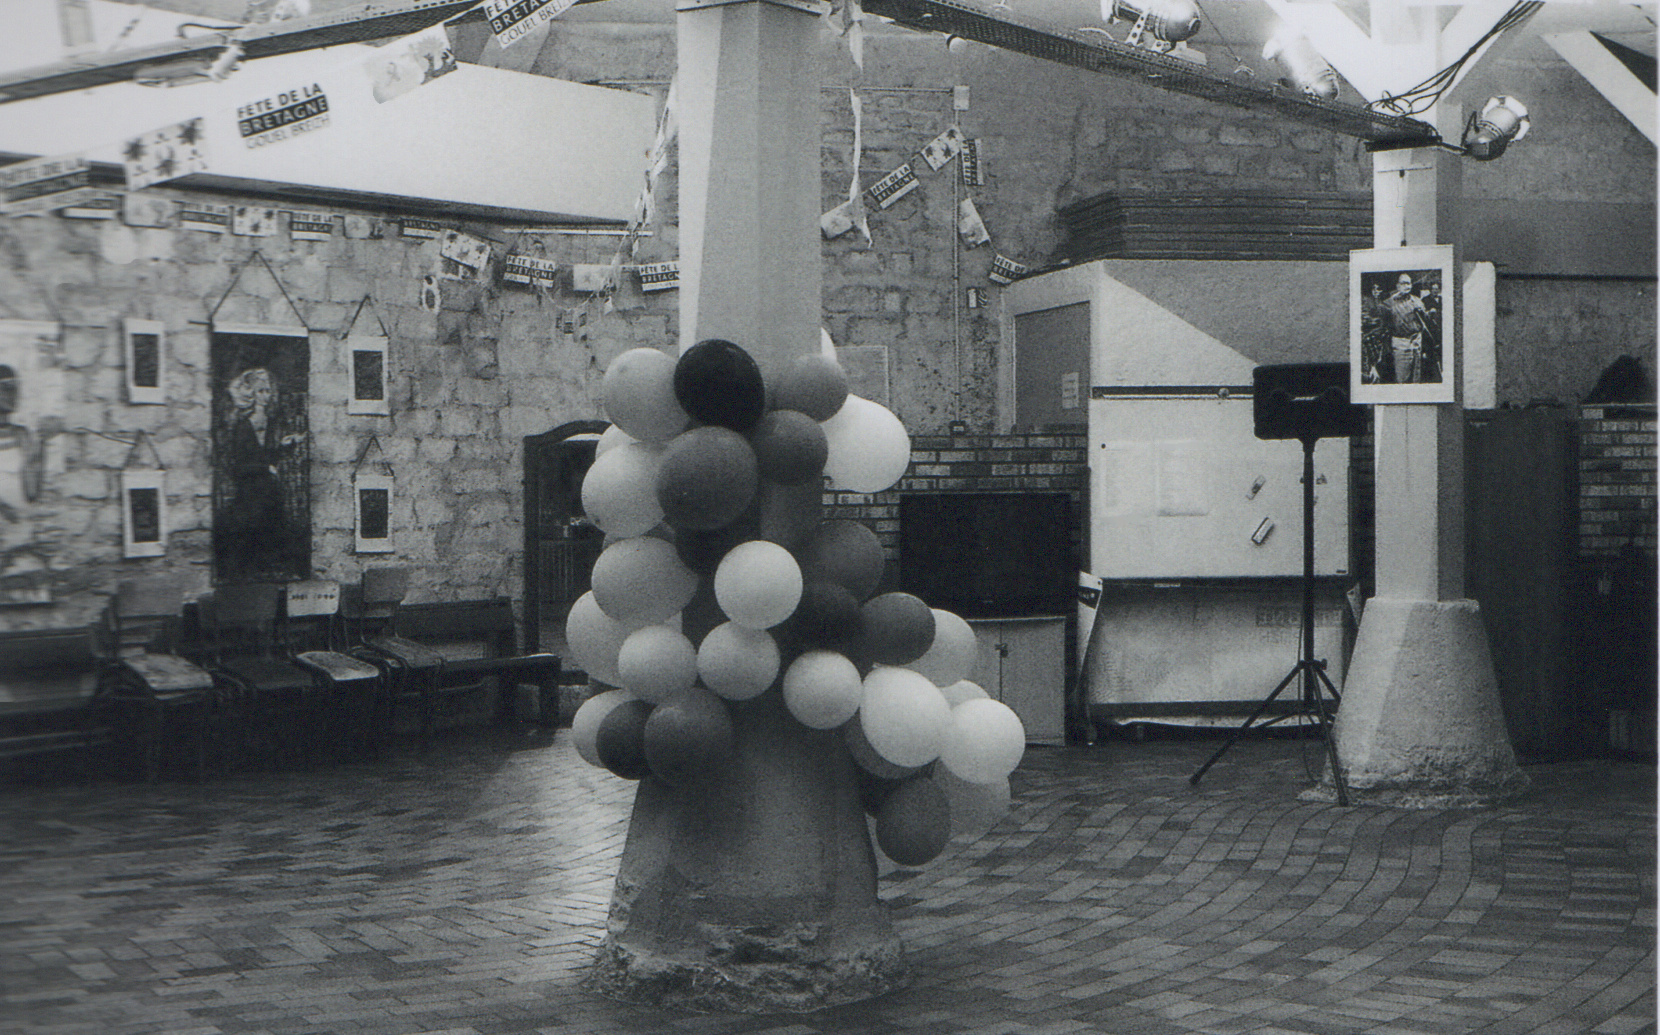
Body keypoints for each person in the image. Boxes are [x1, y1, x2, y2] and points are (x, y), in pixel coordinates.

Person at [218, 367, 302, 577]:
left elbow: (269, 458)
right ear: (252, 394)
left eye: (268, 390)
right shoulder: (242, 426)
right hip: (249, 492)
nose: (266, 396)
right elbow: (239, 466)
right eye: (261, 391)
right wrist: (265, 468)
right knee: (251, 541)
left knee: (274, 538)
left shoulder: (271, 422)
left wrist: (285, 446)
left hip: (269, 491)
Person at [1383, 272, 1429, 384]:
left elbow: (1426, 320)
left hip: (1416, 341)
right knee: (1402, 377)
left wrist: (1423, 312)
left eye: (1408, 283)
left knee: (1416, 376)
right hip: (1401, 342)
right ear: (1397, 286)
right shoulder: (1389, 303)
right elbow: (1384, 325)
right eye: (1403, 283)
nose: (1406, 286)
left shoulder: (1417, 300)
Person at [1360, 280, 1391, 383]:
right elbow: (1364, 319)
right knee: (1369, 365)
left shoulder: (1385, 303)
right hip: (1370, 337)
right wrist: (1373, 321)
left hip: (1382, 338)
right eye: (1374, 289)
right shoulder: (1366, 301)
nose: (1376, 291)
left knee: (1381, 363)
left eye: (1378, 289)